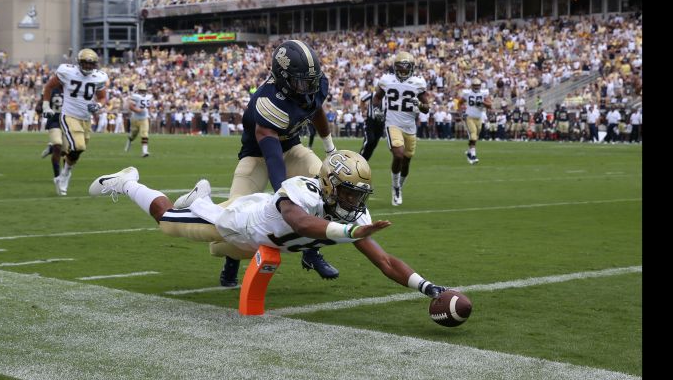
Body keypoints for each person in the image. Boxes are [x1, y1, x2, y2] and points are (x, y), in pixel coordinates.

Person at [88, 150, 447, 299]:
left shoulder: (353, 218)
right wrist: (349, 232)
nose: (355, 203)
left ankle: (198, 199)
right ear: (329, 185)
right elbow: (301, 223)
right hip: (238, 223)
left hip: (262, 243)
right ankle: (129, 181)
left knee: (221, 253)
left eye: (359, 194)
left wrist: (429, 288)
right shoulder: (303, 193)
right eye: (349, 193)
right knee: (167, 223)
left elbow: (385, 263)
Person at [219, 39, 341, 287]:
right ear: (283, 78)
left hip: (292, 148)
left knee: (329, 186)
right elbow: (273, 157)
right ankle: (230, 265)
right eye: (301, 81)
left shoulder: (312, 84)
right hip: (257, 157)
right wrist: (284, 193)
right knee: (233, 214)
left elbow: (316, 110)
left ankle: (311, 251)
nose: (308, 87)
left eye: (311, 80)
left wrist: (330, 149)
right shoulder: (267, 101)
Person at [41, 48, 108, 196]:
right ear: (79, 62)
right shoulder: (68, 72)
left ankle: (65, 171)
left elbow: (103, 97)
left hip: (86, 118)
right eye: (86, 63)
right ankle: (64, 176)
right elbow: (49, 86)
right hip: (69, 115)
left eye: (91, 64)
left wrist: (98, 105)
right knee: (78, 145)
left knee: (79, 150)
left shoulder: (99, 77)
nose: (89, 67)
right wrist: (46, 105)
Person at [373, 51, 431, 205]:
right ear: (395, 67)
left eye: (406, 68)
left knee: (406, 161)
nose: (403, 70)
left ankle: (399, 185)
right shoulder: (387, 79)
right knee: (398, 155)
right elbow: (377, 97)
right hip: (392, 124)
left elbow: (426, 108)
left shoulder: (418, 82)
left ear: (412, 68)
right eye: (401, 67)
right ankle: (395, 187)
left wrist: (419, 104)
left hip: (410, 127)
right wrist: (377, 110)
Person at [37, 86, 65, 194]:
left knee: (66, 152)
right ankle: (57, 177)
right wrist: (42, 109)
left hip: (68, 122)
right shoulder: (51, 90)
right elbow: (39, 106)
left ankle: (51, 149)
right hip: (54, 121)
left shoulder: (73, 89)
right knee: (58, 145)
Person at [457, 78, 491, 164]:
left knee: (475, 137)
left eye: (478, 86)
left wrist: (482, 103)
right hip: (469, 117)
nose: (476, 87)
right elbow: (459, 103)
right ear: (472, 86)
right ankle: (473, 155)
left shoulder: (483, 93)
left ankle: (469, 152)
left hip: (479, 118)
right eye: (475, 86)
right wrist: (461, 113)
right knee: (473, 135)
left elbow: (490, 105)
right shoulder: (467, 94)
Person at [125, 82, 152, 157]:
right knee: (133, 134)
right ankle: (129, 140)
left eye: (144, 90)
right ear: (138, 90)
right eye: (141, 90)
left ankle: (145, 151)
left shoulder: (148, 97)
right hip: (135, 118)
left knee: (144, 133)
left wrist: (150, 111)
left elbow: (149, 106)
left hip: (144, 118)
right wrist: (138, 110)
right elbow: (130, 106)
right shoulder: (135, 96)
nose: (143, 92)